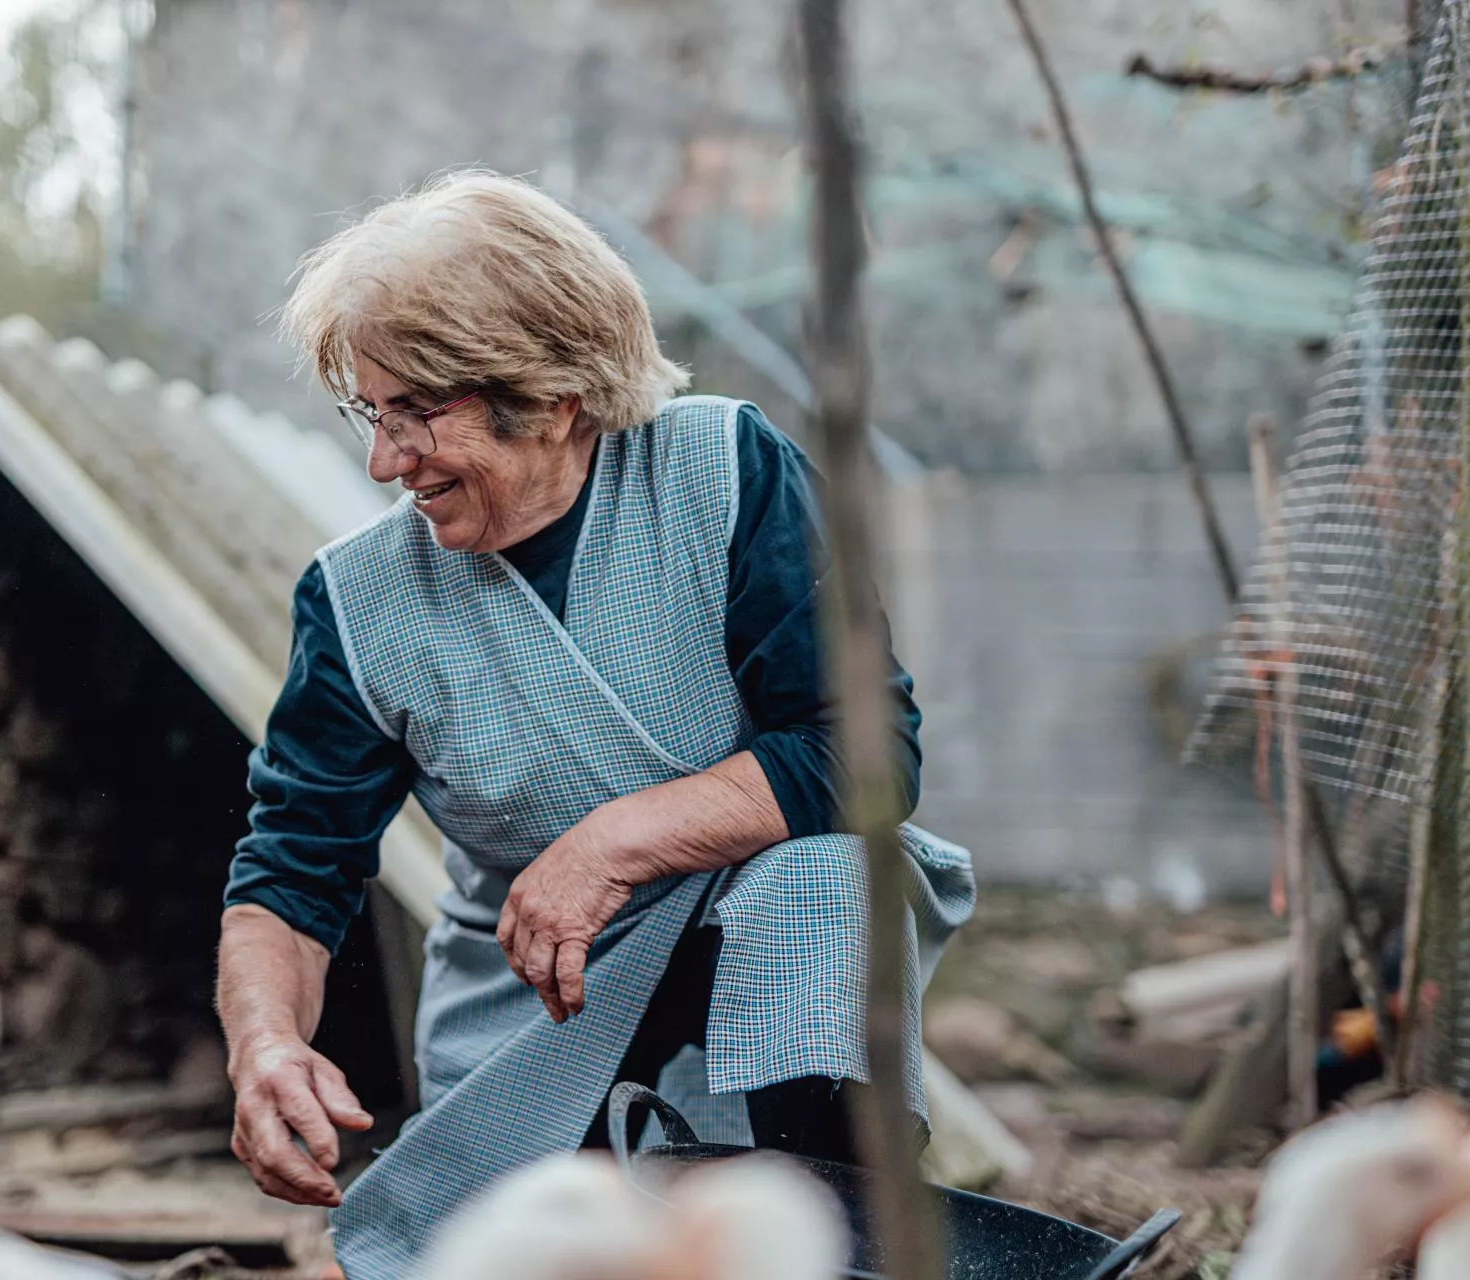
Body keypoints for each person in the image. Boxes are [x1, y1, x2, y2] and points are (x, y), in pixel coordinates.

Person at [214, 170, 975, 1280]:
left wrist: (610, 843)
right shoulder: (359, 601)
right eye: (372, 413)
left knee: (824, 871)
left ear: (553, 396)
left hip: (767, 970)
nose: (384, 460)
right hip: (539, 1001)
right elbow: (292, 869)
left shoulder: (723, 473)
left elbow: (862, 750)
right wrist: (266, 1042)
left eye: (416, 412)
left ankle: (838, 1231)